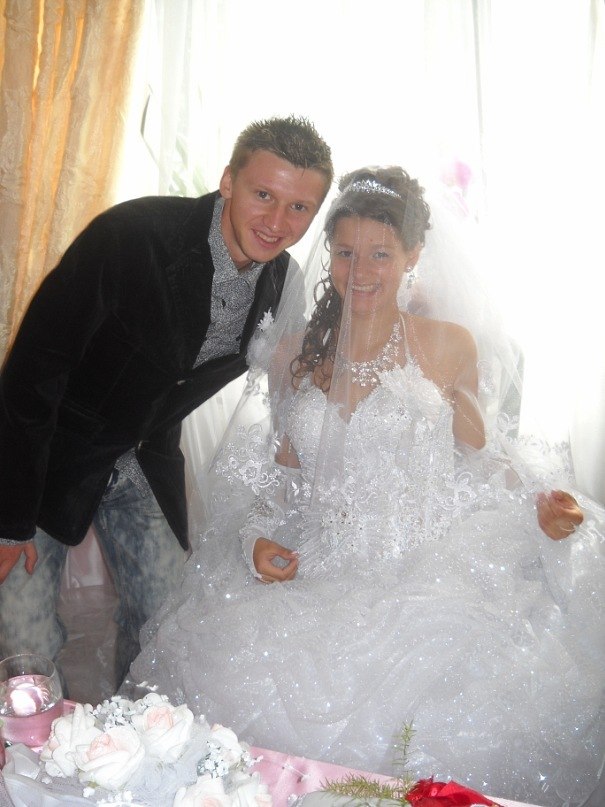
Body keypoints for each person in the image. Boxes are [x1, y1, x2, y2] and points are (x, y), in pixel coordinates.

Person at [129, 167, 604, 806]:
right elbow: (280, 480)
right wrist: (256, 538)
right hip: (320, 563)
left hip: (425, 568)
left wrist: (539, 504)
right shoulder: (293, 353)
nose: (360, 271)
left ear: (413, 255)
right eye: (346, 252)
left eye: (380, 254)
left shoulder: (448, 346)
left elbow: (483, 460)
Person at [0, 115, 333, 688]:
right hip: (44, 456)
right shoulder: (131, 235)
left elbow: (293, 389)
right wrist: (9, 519)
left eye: (299, 207)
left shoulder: (285, 284)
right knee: (23, 644)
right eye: (263, 195)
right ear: (227, 181)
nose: (277, 223)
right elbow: (32, 374)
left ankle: (141, 735)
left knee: (165, 626)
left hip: (145, 458)